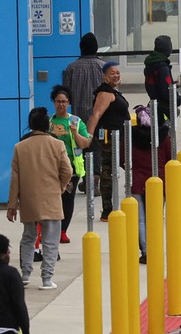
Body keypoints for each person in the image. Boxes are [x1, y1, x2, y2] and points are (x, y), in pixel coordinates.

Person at [7, 107, 72, 290]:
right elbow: (67, 171)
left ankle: (25, 274)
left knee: (28, 237)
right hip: (51, 197)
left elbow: (15, 178)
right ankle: (46, 278)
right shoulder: (57, 145)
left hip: (28, 199)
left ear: (30, 125)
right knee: (50, 240)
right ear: (47, 125)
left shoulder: (20, 147)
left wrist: (12, 205)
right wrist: (59, 187)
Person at [122, 105, 170, 264]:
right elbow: (171, 157)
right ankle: (154, 249)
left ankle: (145, 251)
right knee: (155, 218)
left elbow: (123, 157)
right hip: (159, 181)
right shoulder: (163, 135)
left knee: (140, 220)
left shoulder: (130, 135)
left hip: (136, 180)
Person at [86, 61, 131, 221]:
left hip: (119, 138)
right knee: (108, 172)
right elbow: (95, 114)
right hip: (110, 139)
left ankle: (116, 206)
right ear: (104, 76)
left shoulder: (113, 91)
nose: (116, 75)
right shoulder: (105, 93)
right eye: (112, 73)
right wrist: (88, 137)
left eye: (118, 72)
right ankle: (107, 210)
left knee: (114, 170)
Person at [63, 32, 104, 194]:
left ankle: (81, 179)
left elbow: (65, 95)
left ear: (81, 48)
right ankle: (94, 180)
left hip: (76, 118)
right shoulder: (103, 67)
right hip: (99, 117)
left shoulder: (71, 68)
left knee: (78, 148)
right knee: (97, 147)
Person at [48, 84, 90, 244]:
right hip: (51, 168)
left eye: (64, 101)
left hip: (71, 168)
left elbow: (85, 143)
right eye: (58, 101)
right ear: (53, 102)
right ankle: (53, 229)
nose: (61, 104)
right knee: (52, 200)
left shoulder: (76, 122)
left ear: (69, 103)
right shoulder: (49, 122)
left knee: (67, 200)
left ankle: (63, 231)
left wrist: (74, 133)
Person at [144, 34, 180, 124]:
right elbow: (166, 91)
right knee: (165, 131)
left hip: (154, 103)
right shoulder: (162, 67)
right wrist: (178, 99)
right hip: (164, 106)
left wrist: (171, 83)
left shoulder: (151, 63)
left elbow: (156, 83)